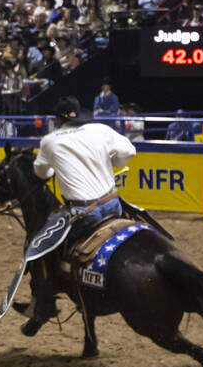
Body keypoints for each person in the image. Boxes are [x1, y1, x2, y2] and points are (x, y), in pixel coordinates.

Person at [28, 95, 136, 258]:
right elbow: (130, 151)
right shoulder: (100, 129)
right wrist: (113, 162)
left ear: (58, 119)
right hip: (113, 205)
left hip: (83, 213)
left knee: (52, 248)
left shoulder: (49, 141)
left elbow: (41, 173)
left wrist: (53, 170)